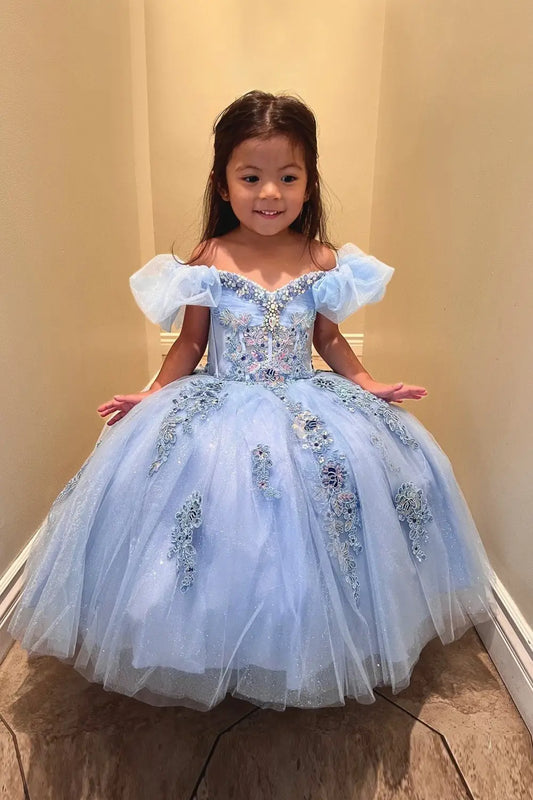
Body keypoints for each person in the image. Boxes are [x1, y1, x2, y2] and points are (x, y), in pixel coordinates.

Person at [8, 90, 496, 711]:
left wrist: (367, 384)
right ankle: (216, 644)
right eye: (251, 177)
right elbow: (191, 343)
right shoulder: (210, 258)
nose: (270, 193)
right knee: (219, 521)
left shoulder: (322, 259)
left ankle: (308, 640)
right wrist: (153, 394)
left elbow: (328, 338)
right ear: (222, 183)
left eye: (288, 177)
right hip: (222, 400)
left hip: (305, 399)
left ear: (309, 183)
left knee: (331, 501)